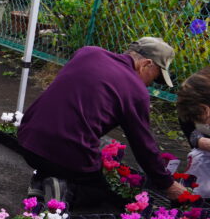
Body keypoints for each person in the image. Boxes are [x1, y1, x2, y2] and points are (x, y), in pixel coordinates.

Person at [17, 38, 187, 208]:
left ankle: (41, 182)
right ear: (146, 64)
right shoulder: (136, 90)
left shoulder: (88, 52)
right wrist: (167, 184)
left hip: (27, 139)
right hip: (65, 151)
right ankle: (64, 190)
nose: (150, 84)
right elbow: (143, 144)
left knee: (63, 154)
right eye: (156, 77)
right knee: (99, 196)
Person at [174, 67, 210, 197]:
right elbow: (187, 122)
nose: (206, 124)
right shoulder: (191, 99)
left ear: (205, 109)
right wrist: (198, 139)